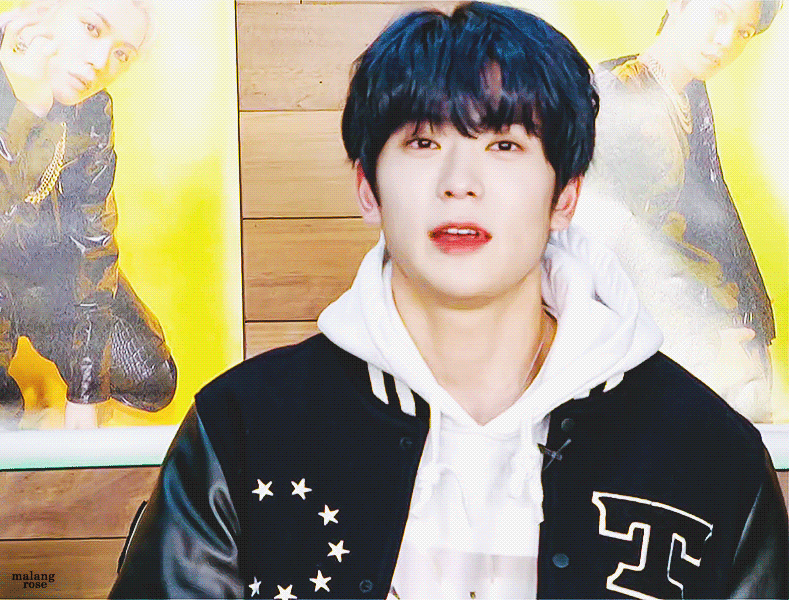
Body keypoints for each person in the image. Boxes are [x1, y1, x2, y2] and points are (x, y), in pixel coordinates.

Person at [110, 3, 788, 598]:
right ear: (367, 186)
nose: (460, 181)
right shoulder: (242, 430)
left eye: (504, 144)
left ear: (567, 195)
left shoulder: (711, 456)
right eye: (424, 142)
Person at [574, 0, 781, 422]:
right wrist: (700, 344)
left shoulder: (688, 94)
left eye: (743, 32)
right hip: (670, 357)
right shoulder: (619, 97)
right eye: (720, 14)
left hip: (710, 349)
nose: (725, 41)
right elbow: (611, 249)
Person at [0, 0, 177, 429]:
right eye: (92, 28)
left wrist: (87, 391)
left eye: (122, 54)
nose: (100, 62)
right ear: (45, 8)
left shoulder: (91, 111)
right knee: (0, 418)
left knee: (154, 380)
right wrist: (28, 110)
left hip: (44, 275)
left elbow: (93, 244)